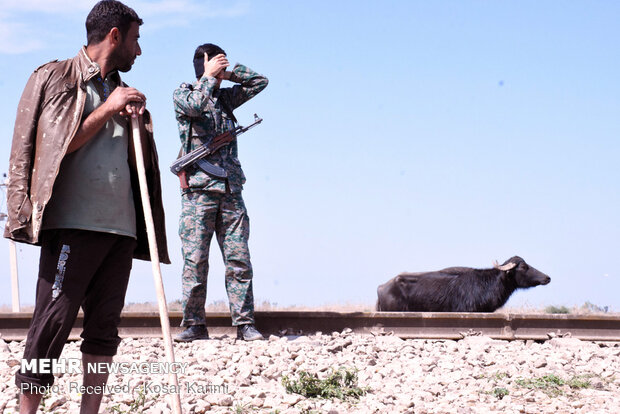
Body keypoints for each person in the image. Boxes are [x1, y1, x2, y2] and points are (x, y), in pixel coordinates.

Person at [4, 1, 169, 412]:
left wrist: (136, 118)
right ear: (114, 35)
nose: (139, 51)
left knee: (103, 330)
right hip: (74, 224)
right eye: (135, 39)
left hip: (122, 229)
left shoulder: (121, 91)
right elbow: (50, 150)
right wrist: (109, 108)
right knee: (50, 325)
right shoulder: (57, 77)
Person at [173, 43, 268, 342]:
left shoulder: (226, 99)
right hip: (198, 192)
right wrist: (208, 78)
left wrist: (229, 73)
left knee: (238, 259)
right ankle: (194, 324)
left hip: (229, 189)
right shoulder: (185, 93)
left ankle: (244, 323)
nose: (218, 67)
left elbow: (259, 82)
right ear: (201, 64)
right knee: (195, 260)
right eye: (214, 62)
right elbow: (195, 107)